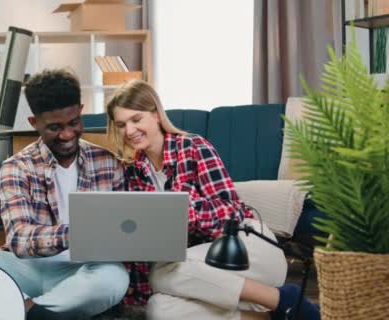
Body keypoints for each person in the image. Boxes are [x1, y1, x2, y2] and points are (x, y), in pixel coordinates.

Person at [105, 80, 320, 320]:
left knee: (161, 273)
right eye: (122, 124)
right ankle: (267, 316)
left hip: (243, 249)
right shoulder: (133, 173)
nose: (129, 131)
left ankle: (284, 299)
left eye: (136, 119)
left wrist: (178, 212)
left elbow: (230, 212)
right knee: (159, 310)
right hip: (199, 274)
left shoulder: (193, 147)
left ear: (155, 114)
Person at [0, 69, 129, 319]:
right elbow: (20, 241)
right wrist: (81, 231)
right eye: (54, 127)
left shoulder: (107, 163)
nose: (67, 135)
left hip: (80, 273)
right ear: (34, 123)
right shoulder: (16, 167)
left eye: (73, 123)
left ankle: (15, 309)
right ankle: (29, 308)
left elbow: (120, 235)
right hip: (23, 269)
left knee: (114, 277)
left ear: (80, 110)